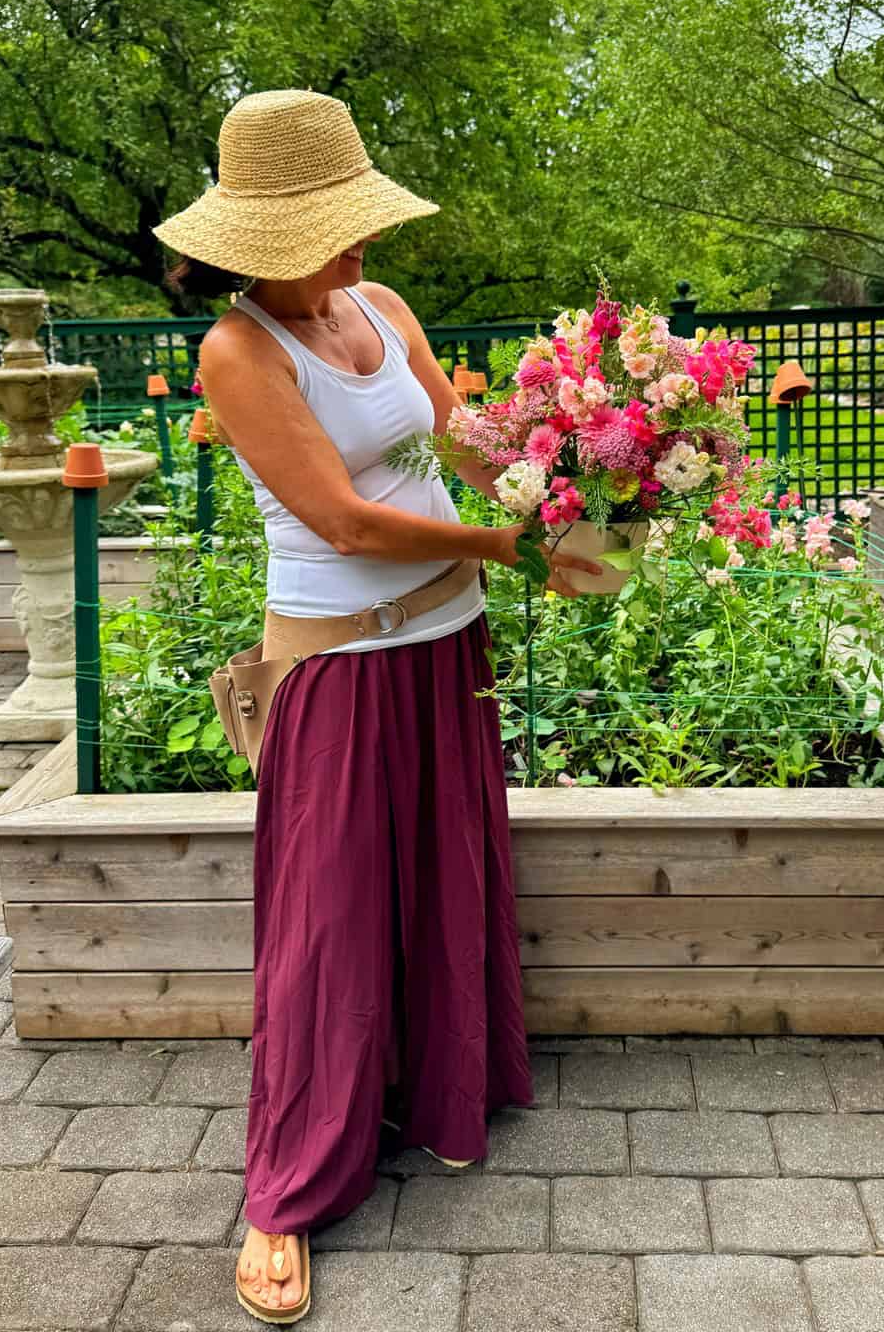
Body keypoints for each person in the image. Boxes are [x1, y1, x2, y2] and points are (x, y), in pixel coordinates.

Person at [152, 89, 601, 1325]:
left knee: (446, 872)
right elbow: (341, 520)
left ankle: (440, 1088)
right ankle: (284, 1188)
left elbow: (464, 447)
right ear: (267, 239)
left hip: (449, 643)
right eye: (341, 229)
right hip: (340, 662)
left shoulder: (384, 308)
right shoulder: (237, 352)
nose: (366, 249)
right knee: (326, 918)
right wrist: (512, 547)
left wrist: (578, 469)